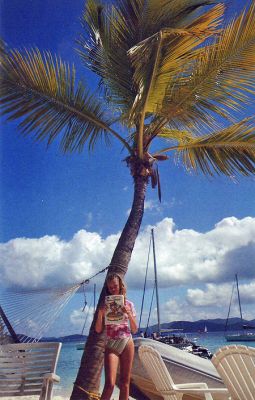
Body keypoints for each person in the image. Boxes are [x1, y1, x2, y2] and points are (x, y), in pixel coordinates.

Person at [95, 273, 137, 400]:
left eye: (115, 286)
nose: (113, 289)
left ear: (120, 286)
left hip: (127, 341)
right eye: (110, 287)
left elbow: (134, 330)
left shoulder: (129, 304)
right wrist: (101, 313)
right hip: (111, 343)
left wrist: (128, 314)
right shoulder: (104, 305)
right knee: (110, 384)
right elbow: (98, 330)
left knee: (125, 383)